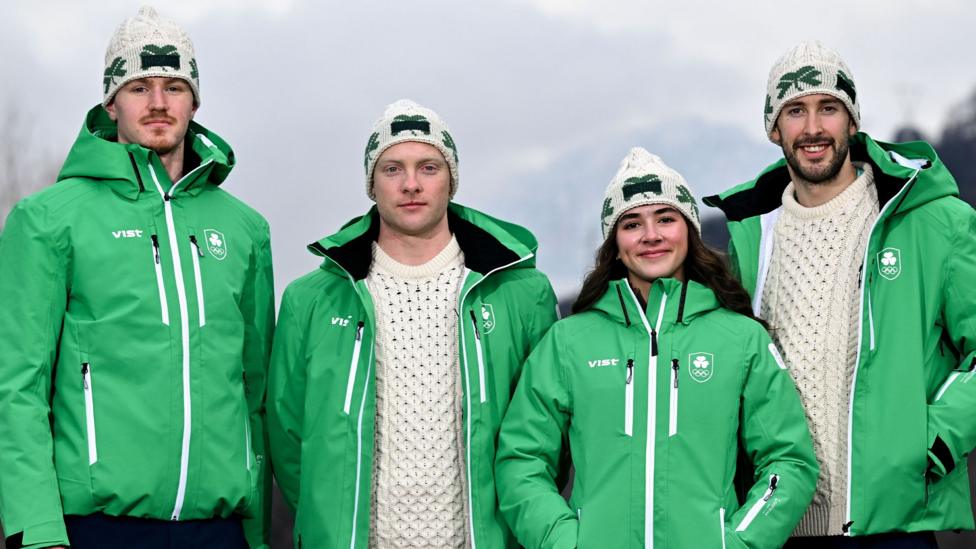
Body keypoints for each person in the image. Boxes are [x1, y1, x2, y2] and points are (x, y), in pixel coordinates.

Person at [0, 7, 274, 549]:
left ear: (194, 100)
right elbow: (17, 386)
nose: (157, 102)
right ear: (110, 101)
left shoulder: (245, 229)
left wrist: (257, 533)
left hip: (218, 530)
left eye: (174, 86)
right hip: (95, 528)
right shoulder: (49, 219)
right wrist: (36, 530)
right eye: (138, 86)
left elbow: (254, 391)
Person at [704, 41, 976, 548]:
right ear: (773, 128)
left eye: (829, 108)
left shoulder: (934, 221)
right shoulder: (748, 240)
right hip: (781, 528)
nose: (812, 128)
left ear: (852, 123)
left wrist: (933, 442)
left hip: (894, 524)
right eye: (794, 111)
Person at [267, 99, 559, 548]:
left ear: (450, 180)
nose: (410, 184)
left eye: (428, 167)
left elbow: (548, 432)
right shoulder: (310, 300)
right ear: (372, 184)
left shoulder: (520, 294)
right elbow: (289, 439)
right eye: (392, 169)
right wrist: (331, 516)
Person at [494, 147, 818, 548]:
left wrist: (737, 542)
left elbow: (788, 461)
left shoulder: (742, 339)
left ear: (689, 230)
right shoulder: (568, 342)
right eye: (632, 223)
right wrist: (565, 541)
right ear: (614, 242)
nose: (651, 235)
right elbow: (521, 460)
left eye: (665, 218)